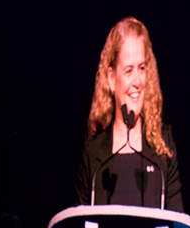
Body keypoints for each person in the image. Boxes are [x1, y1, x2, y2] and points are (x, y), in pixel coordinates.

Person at [76, 16, 183, 211]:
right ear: (111, 78)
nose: (137, 81)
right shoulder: (94, 150)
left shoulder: (162, 146)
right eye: (128, 71)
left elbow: (177, 226)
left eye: (142, 69)